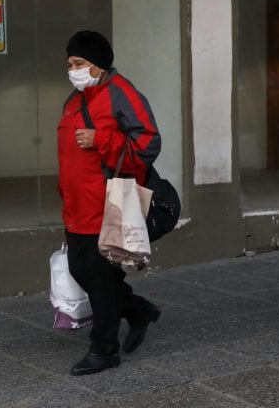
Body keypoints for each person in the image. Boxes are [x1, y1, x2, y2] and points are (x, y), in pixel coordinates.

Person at [57, 30, 162, 376]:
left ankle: (104, 349)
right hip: (76, 205)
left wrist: (101, 138)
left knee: (100, 278)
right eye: (70, 63)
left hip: (105, 205)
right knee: (78, 269)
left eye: (80, 63)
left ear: (99, 64)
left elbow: (147, 144)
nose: (72, 69)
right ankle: (136, 309)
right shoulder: (73, 100)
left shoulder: (121, 93)